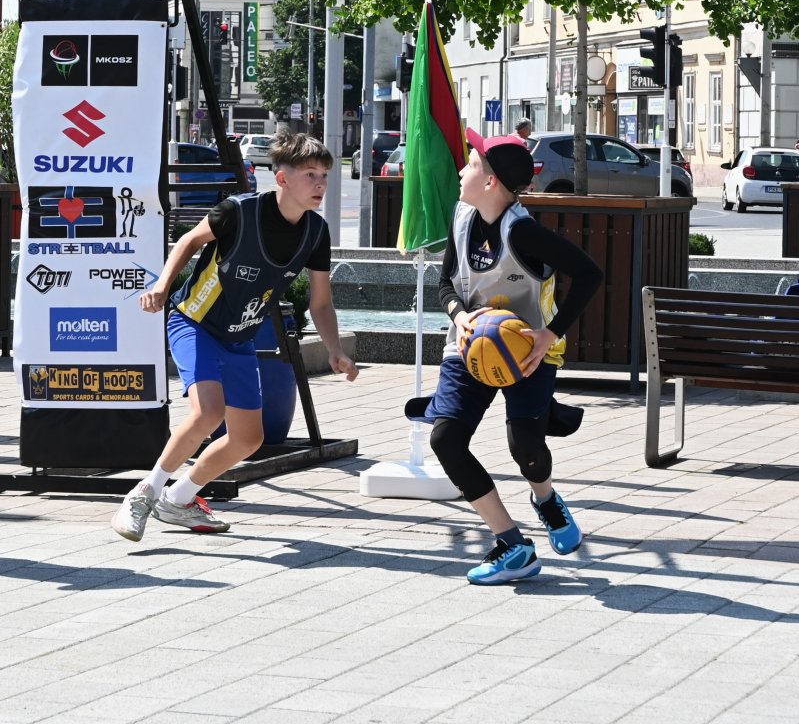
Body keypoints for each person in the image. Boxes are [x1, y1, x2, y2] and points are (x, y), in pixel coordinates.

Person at [112, 133, 357, 543]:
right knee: (208, 413)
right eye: (311, 175)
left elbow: (321, 302)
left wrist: (334, 349)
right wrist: (162, 285)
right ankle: (144, 493)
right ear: (282, 178)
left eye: (325, 176)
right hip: (194, 321)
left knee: (248, 438)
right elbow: (189, 241)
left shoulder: (316, 232)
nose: (320, 184)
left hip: (240, 337)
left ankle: (179, 499)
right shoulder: (239, 211)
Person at [418, 131, 603, 584]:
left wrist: (550, 332)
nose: (461, 170)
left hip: (528, 350)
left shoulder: (523, 232)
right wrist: (459, 315)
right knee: (445, 439)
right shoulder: (462, 215)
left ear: (491, 182)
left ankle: (546, 499)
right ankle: (512, 544)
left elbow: (589, 273)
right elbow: (445, 282)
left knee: (526, 448)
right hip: (471, 343)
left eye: (471, 164)